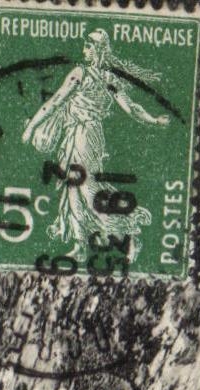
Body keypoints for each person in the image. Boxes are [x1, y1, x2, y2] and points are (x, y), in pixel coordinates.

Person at [22, 30, 169, 263]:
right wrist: (32, 126)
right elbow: (57, 100)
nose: (84, 50)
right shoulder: (86, 74)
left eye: (89, 46)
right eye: (85, 46)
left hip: (86, 136)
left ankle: (128, 238)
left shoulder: (100, 77)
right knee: (72, 192)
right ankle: (80, 246)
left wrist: (153, 120)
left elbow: (130, 107)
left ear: (99, 49)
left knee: (89, 191)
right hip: (72, 135)